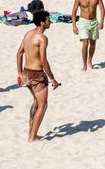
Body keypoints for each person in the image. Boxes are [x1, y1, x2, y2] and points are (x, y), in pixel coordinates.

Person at [16, 10, 60, 142]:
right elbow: (43, 61)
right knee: (43, 105)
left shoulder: (28, 34)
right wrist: (52, 78)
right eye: (48, 20)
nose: (50, 21)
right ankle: (32, 136)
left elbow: (19, 53)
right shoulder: (42, 38)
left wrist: (19, 73)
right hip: (37, 74)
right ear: (42, 22)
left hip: (26, 72)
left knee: (36, 102)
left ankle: (31, 130)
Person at [71, 0, 105, 71]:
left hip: (94, 22)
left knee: (93, 44)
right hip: (83, 22)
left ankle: (90, 60)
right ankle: (84, 65)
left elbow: (102, 9)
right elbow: (74, 11)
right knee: (85, 43)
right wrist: (74, 26)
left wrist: (102, 22)